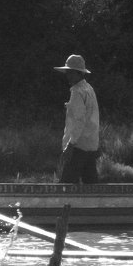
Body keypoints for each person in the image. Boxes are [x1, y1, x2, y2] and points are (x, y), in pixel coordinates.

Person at [54, 54, 100, 184]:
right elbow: (88, 115)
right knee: (91, 186)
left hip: (78, 146)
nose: (67, 75)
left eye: (70, 72)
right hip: (90, 144)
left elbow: (80, 120)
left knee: (66, 185)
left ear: (78, 73)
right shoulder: (89, 89)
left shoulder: (77, 91)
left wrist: (70, 145)